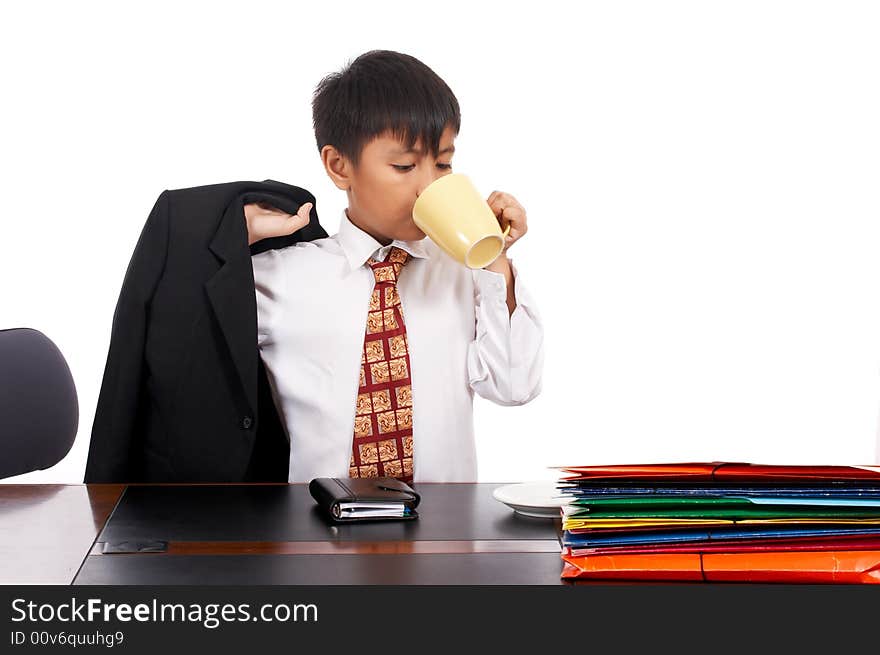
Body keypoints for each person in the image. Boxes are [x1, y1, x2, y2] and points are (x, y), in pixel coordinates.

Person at [248, 50, 544, 483]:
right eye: (404, 165)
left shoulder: (467, 272)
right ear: (338, 166)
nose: (428, 184)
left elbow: (514, 387)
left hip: (444, 532)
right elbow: (183, 362)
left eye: (442, 163)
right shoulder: (277, 277)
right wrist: (232, 236)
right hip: (315, 531)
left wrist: (494, 259)